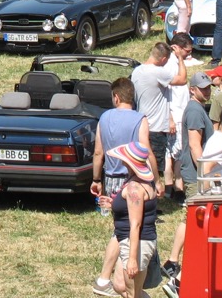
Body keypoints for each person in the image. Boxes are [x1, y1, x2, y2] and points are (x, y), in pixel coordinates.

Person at [90, 78, 158, 297]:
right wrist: (155, 180)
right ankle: (105, 277)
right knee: (121, 230)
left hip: (112, 178)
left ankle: (105, 277)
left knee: (120, 228)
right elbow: (145, 150)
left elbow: (99, 152)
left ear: (116, 97)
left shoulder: (104, 117)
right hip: (133, 178)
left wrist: (96, 179)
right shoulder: (140, 119)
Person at [163, 71, 214, 278]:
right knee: (193, 219)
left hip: (195, 174)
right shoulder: (194, 111)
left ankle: (173, 261)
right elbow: (194, 146)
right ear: (192, 90)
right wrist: (204, 174)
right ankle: (175, 262)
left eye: (209, 86)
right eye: (203, 87)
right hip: (196, 175)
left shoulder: (197, 108)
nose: (207, 90)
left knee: (190, 217)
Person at [106, 141, 159, 298]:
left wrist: (132, 259)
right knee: (120, 285)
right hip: (131, 241)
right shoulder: (138, 181)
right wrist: (113, 204)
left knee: (132, 294)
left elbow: (135, 224)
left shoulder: (134, 188)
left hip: (136, 243)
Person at [132, 41, 188, 180]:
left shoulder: (137, 71)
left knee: (143, 163)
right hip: (156, 127)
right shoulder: (157, 72)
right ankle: (153, 194)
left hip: (141, 124)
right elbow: (183, 79)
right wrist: (180, 58)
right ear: (163, 59)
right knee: (153, 166)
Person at [164, 32, 195, 196]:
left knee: (172, 154)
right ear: (177, 48)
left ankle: (171, 189)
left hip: (179, 114)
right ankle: (176, 188)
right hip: (174, 117)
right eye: (187, 51)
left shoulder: (176, 62)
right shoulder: (170, 65)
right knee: (177, 154)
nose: (189, 55)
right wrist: (169, 118)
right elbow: (166, 94)